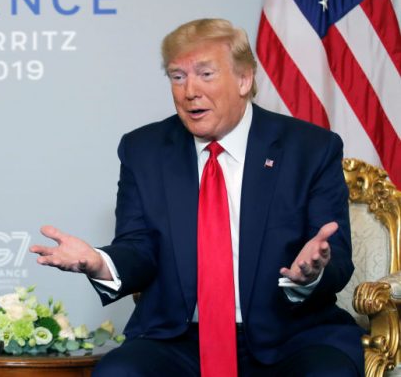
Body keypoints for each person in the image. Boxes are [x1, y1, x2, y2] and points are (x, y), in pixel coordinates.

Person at [30, 19, 363, 376]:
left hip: (291, 335)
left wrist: (311, 273)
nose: (189, 91)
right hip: (180, 338)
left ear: (244, 79)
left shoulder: (310, 148)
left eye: (205, 74)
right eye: (178, 76)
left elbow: (338, 256)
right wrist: (99, 263)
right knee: (118, 372)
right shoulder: (144, 150)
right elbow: (139, 248)